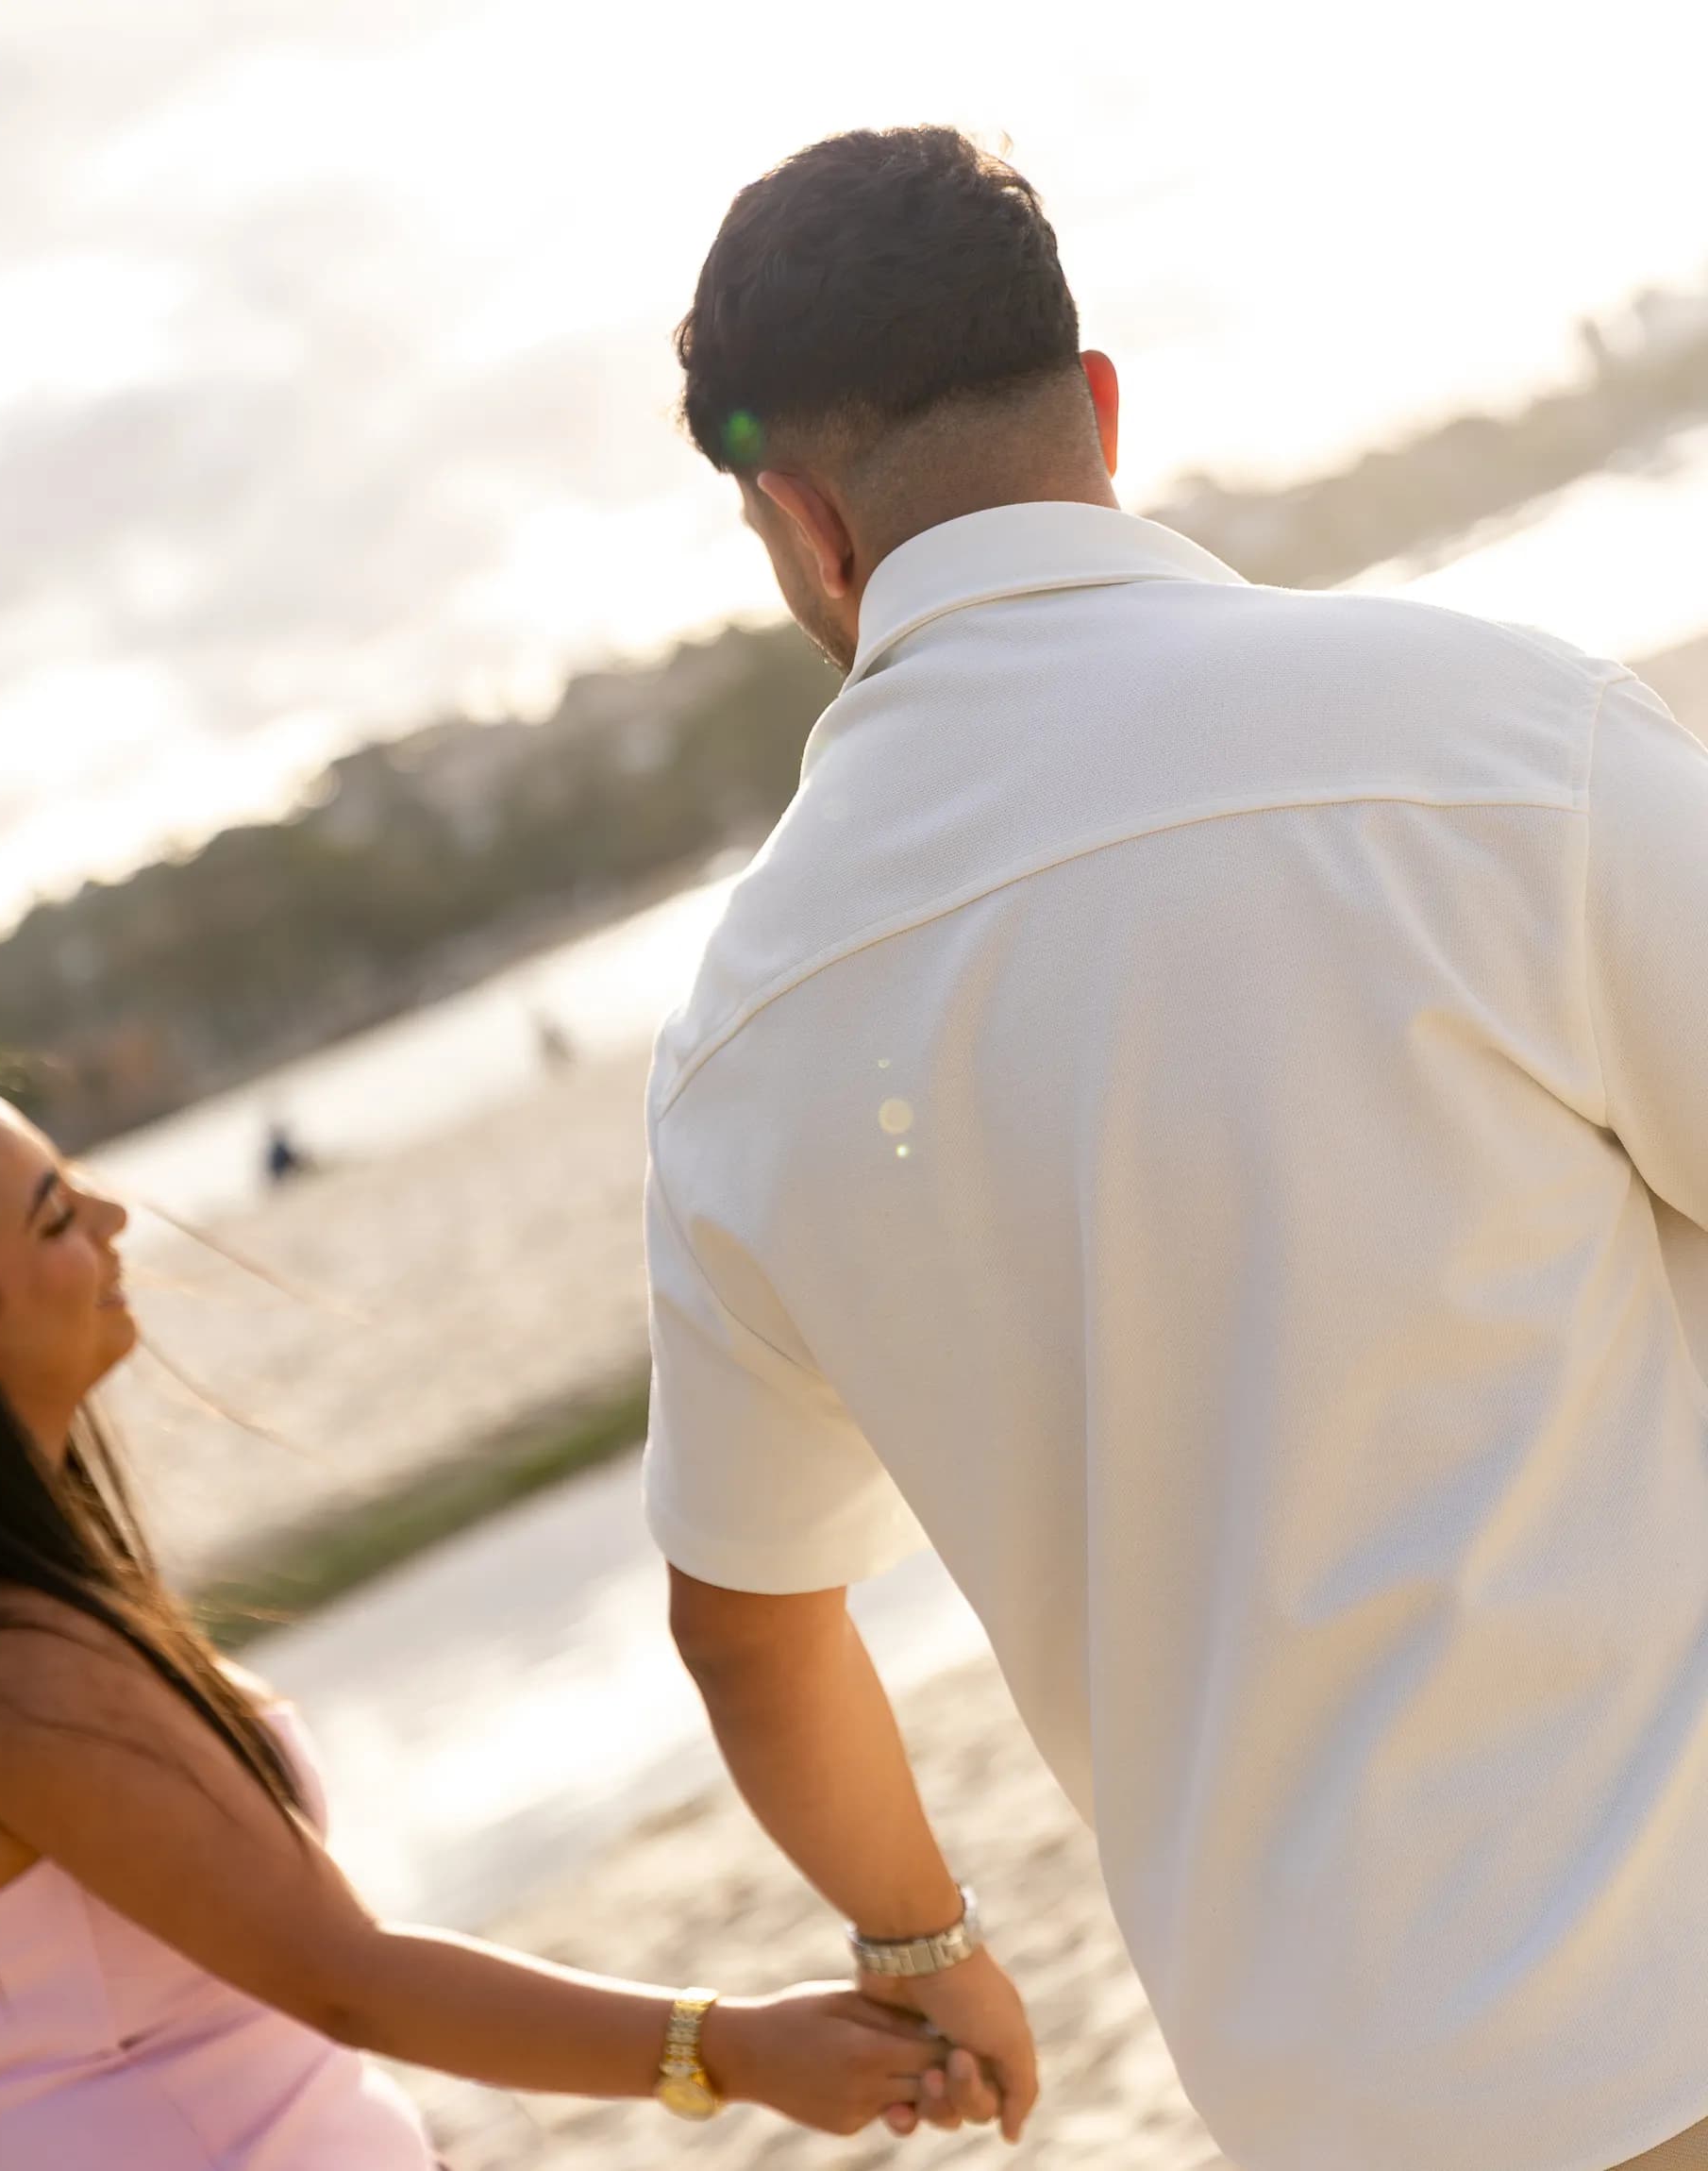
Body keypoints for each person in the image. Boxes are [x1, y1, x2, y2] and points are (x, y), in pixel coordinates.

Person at [643, 124, 1708, 2171]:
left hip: (1344, 2106)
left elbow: (746, 1624)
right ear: (1099, 407)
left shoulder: (737, 1039)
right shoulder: (1487, 734)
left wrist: (921, 1934)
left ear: (800, 521)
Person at [0, 1088, 996, 2164]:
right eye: (52, 1215)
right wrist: (727, 2046)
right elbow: (346, 1978)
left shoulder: (39, 1612)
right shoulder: (17, 1664)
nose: (110, 1215)